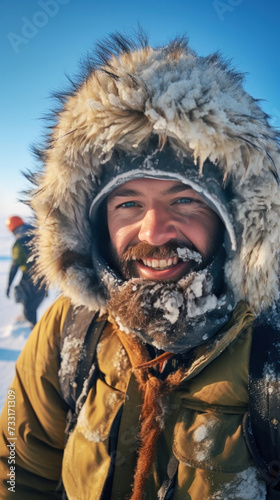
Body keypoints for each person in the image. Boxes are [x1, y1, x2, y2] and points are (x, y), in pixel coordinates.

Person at [0, 33, 280, 500]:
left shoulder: (271, 347)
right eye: (128, 203)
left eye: (186, 199)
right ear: (96, 225)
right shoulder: (68, 331)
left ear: (232, 219)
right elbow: (15, 468)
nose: (155, 232)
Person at [5, 215, 47, 326]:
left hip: (31, 279)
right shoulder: (36, 233)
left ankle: (34, 331)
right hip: (45, 277)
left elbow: (15, 266)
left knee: (29, 309)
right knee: (32, 305)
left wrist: (9, 285)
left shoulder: (19, 243)